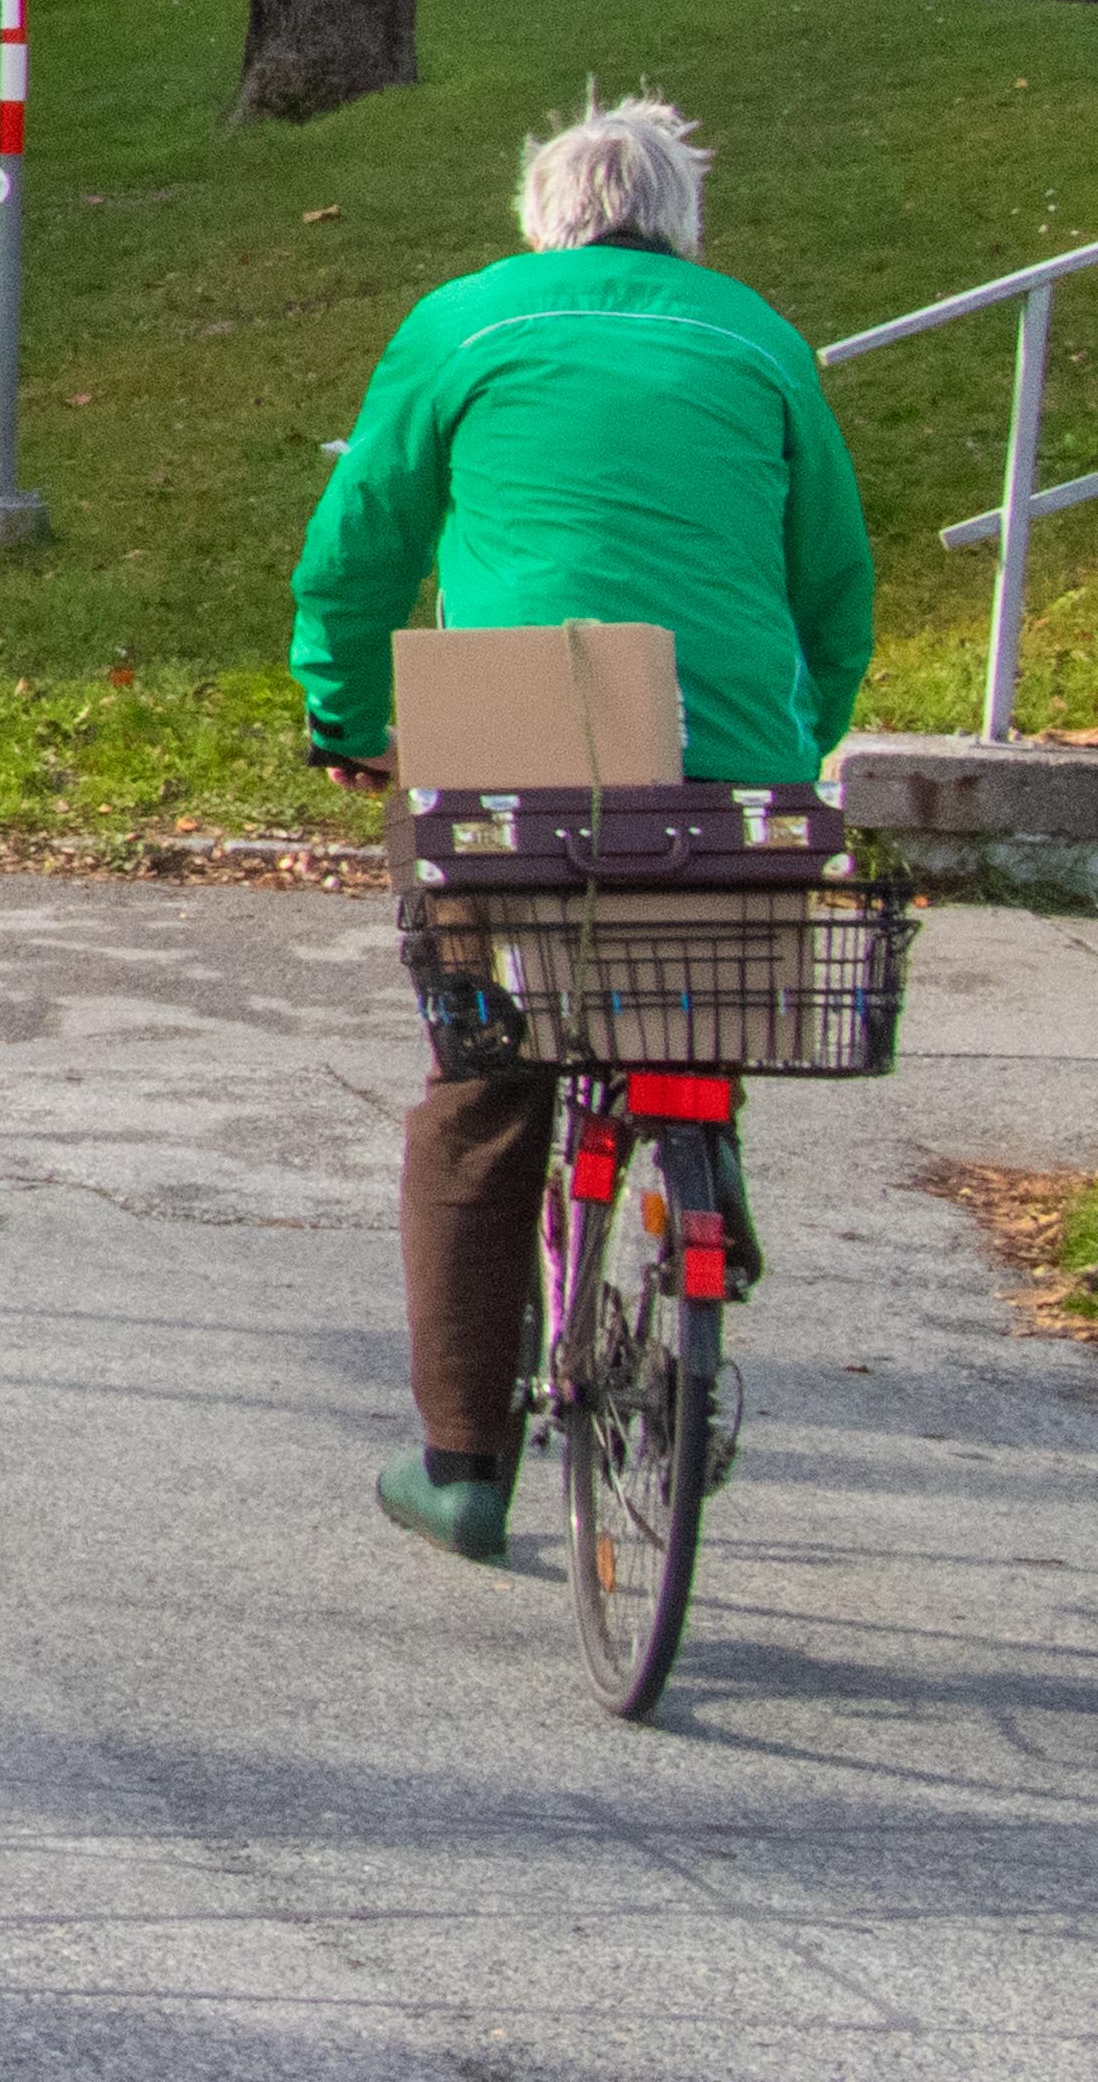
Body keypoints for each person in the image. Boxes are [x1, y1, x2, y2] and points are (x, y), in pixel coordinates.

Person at [287, 94, 874, 1565]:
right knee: (688, 980)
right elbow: (835, 583)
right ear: (679, 223)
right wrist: (792, 739)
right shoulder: (759, 340)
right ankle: (696, 1171)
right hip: (727, 762)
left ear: (542, 214)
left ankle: (462, 1463)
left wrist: (344, 716)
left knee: (484, 1091)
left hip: (517, 748)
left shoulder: (468, 324)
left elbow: (360, 547)